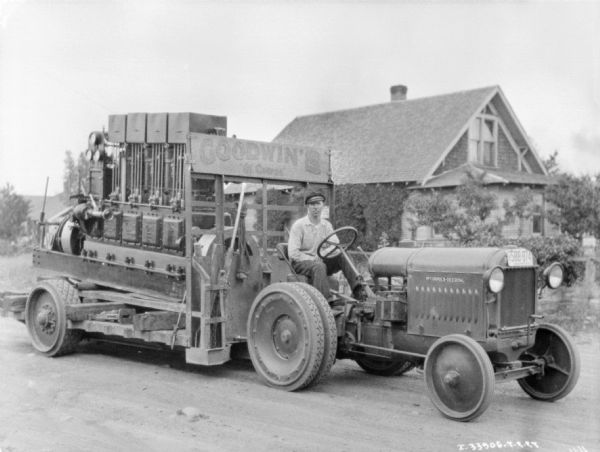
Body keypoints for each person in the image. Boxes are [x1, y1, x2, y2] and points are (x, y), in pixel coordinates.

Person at [288, 191, 360, 300]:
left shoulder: (326, 225)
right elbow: (293, 254)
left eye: (318, 203)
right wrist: (312, 258)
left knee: (343, 254)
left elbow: (335, 245)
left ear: (323, 206)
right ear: (307, 206)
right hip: (301, 263)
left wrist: (322, 254)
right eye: (312, 204)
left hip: (320, 259)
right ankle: (326, 301)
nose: (315, 207)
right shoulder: (299, 226)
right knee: (319, 266)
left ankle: (358, 291)